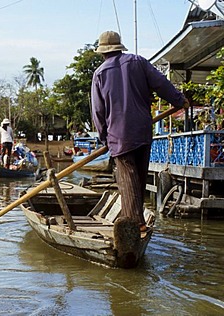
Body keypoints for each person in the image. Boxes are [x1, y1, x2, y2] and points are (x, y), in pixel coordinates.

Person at [91, 31, 189, 232]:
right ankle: (137, 219)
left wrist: (104, 138)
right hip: (142, 130)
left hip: (119, 135)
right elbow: (162, 84)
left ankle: (135, 224)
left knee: (127, 179)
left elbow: (98, 111)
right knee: (139, 178)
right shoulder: (138, 62)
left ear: (102, 52)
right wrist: (179, 101)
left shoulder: (100, 74)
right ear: (119, 47)